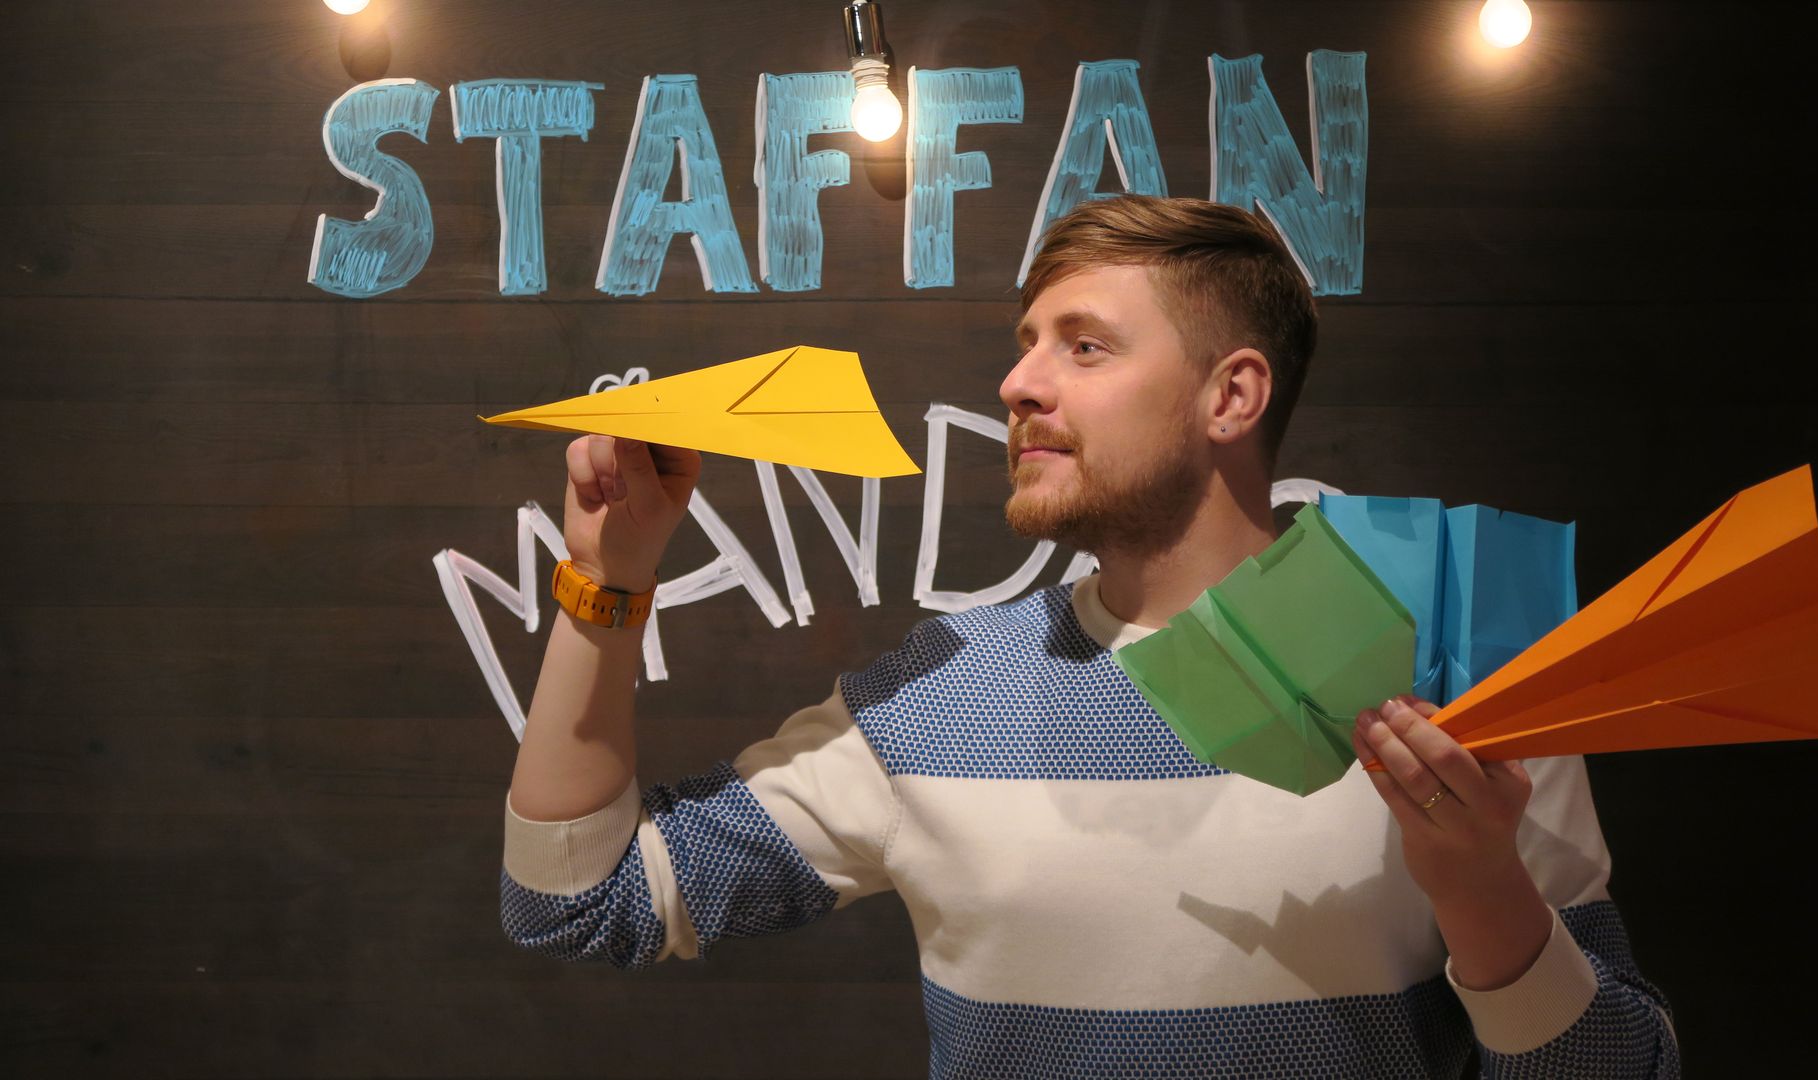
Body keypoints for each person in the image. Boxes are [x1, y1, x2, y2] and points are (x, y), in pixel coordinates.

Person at [498, 195, 1680, 1077]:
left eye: (1084, 344)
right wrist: (605, 585)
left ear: (1232, 396)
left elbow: (1622, 1070)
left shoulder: (1461, 678)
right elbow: (584, 901)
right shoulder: (935, 696)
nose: (1018, 383)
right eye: (1025, 342)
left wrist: (1483, 890)